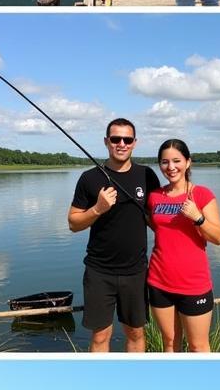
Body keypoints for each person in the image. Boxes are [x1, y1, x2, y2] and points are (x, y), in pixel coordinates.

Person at [68, 119, 160, 352]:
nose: (121, 144)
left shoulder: (147, 175)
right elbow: (73, 223)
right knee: (100, 336)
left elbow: (157, 220)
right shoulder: (90, 178)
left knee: (136, 333)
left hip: (136, 271)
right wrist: (97, 208)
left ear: (134, 143)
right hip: (99, 271)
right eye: (115, 139)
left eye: (127, 139)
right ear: (106, 142)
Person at [147, 138, 220, 352]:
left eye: (176, 160)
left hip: (193, 284)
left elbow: (218, 237)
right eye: (164, 162)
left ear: (188, 162)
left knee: (198, 347)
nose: (171, 167)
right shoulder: (154, 196)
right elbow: (157, 229)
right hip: (159, 281)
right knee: (170, 344)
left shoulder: (201, 194)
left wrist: (198, 217)